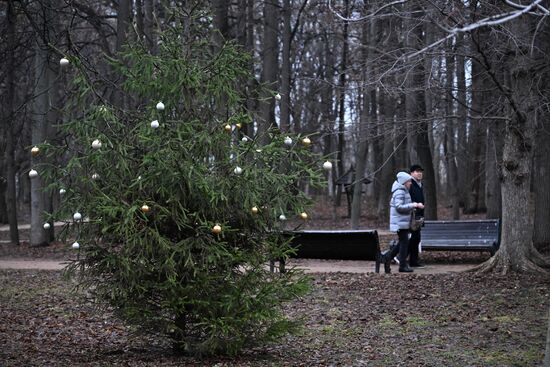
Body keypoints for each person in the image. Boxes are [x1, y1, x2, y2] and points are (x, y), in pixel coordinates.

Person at [386, 171, 424, 273]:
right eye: (408, 181)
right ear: (404, 182)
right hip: (400, 223)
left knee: (403, 242)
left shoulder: (404, 190)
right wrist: (413, 205)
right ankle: (402, 265)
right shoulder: (400, 191)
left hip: (402, 222)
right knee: (404, 243)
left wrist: (413, 205)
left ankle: (387, 257)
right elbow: (399, 207)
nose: (410, 183)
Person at [408, 164, 425, 268]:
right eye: (417, 171)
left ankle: (413, 261)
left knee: (416, 238)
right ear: (411, 173)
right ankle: (397, 255)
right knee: (414, 238)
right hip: (412, 215)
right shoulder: (410, 184)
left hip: (418, 216)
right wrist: (416, 206)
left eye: (420, 171)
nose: (419, 173)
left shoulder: (420, 184)